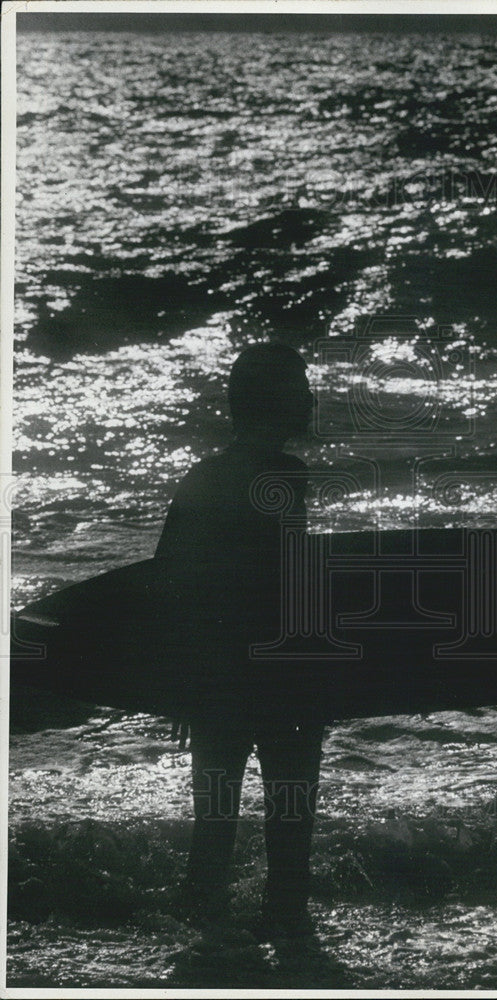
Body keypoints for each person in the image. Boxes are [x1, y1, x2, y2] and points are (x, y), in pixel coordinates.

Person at [155, 343, 322, 938]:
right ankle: (286, 940)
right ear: (278, 401)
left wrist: (181, 680)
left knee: (215, 826)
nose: (310, 396)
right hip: (283, 676)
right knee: (290, 828)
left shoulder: (204, 475)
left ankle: (204, 947)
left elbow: (169, 576)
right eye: (301, 386)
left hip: (222, 675)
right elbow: (292, 581)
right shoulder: (287, 476)